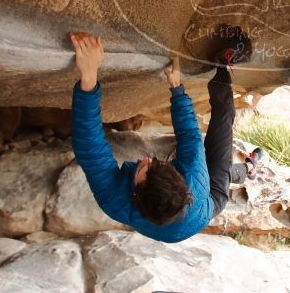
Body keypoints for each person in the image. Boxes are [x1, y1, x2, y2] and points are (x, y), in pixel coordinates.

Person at [70, 32, 263, 243]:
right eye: (154, 164)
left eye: (144, 168)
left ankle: (247, 169)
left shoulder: (114, 201)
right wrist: (177, 89)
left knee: (217, 169)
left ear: (134, 195)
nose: (146, 159)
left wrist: (88, 77)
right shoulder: (195, 181)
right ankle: (223, 66)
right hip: (208, 205)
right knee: (224, 121)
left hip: (185, 211)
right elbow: (190, 136)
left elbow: (90, 148)